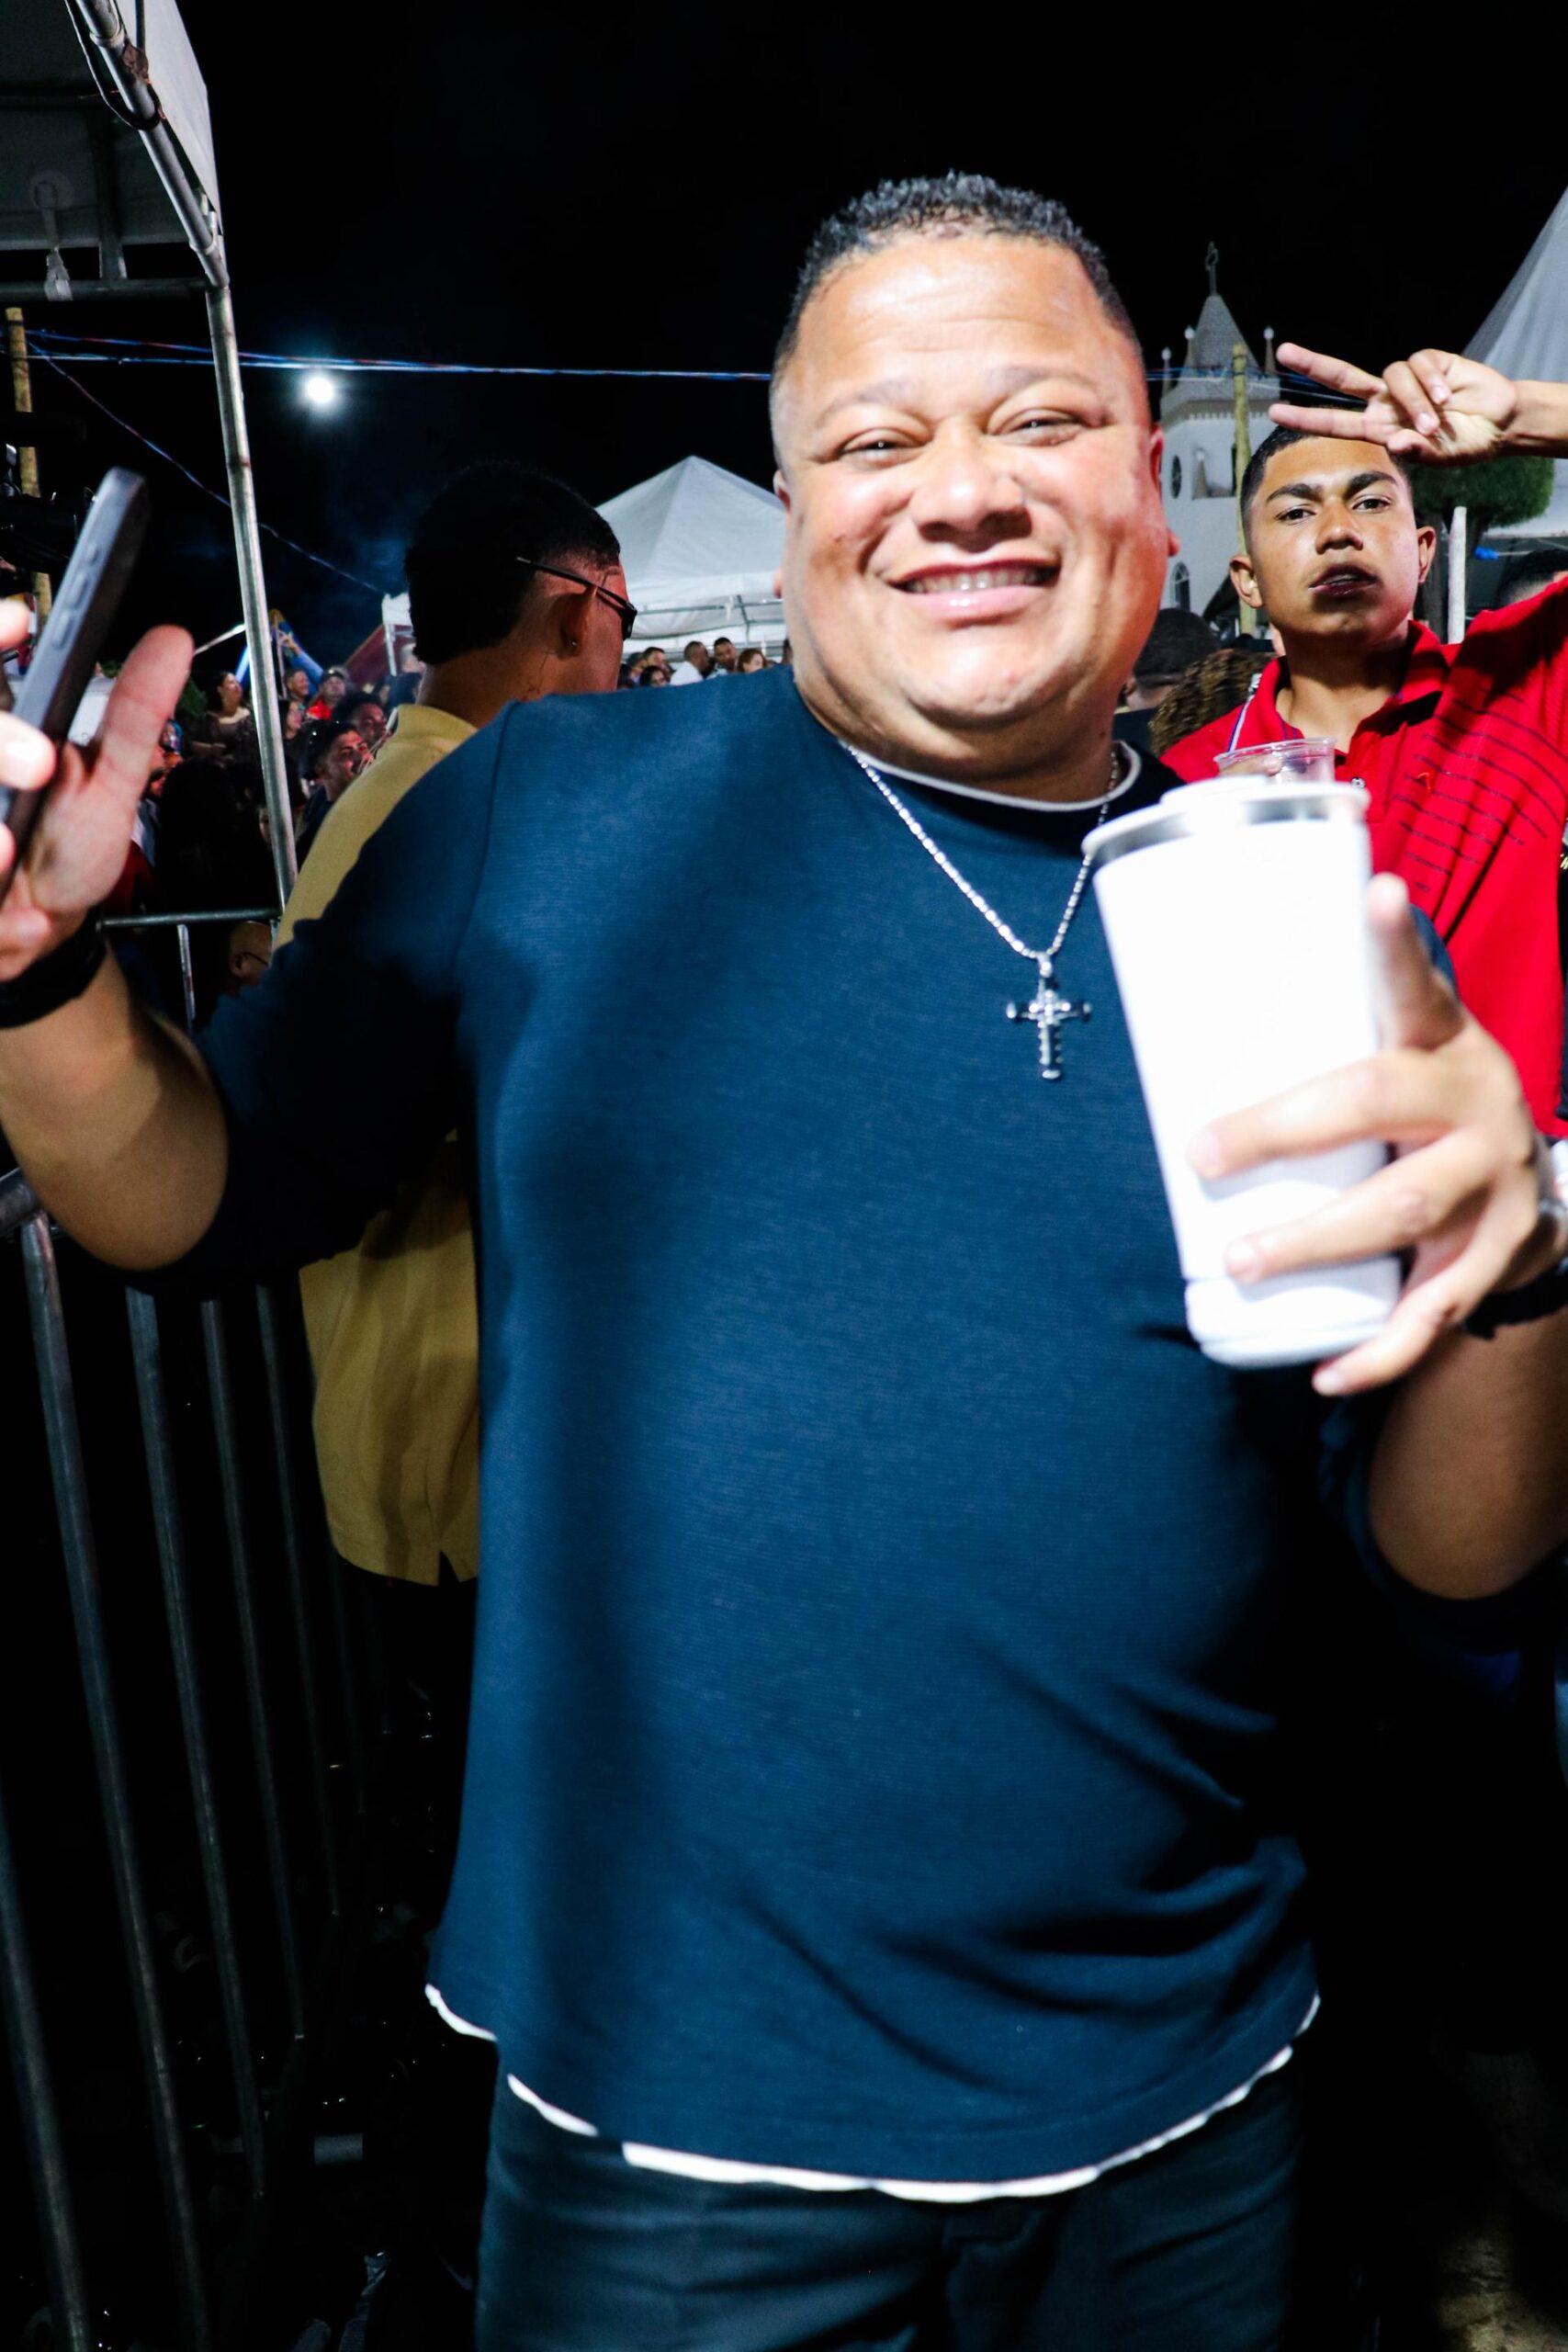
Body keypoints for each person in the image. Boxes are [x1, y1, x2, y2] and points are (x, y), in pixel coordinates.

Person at [2, 174, 1568, 2352]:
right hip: (673, 2125)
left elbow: (1448, 1555)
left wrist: (1519, 1253)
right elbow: (200, 1194)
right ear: (796, 490)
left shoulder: (1277, 902)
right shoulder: (552, 807)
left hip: (1187, 2104)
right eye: (872, 438)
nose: (959, 492)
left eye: (1037, 421)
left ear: (1152, 478)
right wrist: (38, 974)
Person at [276, 460, 626, 1600]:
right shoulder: (487, 816)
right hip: (478, 1461)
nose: (622, 659)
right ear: (573, 611)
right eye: (622, 622)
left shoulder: (397, 797)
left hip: (420, 1436)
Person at [1162, 368, 1568, 1135]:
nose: (1337, 530)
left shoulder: (1522, 685)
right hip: (1291, 1187)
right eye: (1295, 511)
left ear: (1423, 551)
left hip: (1513, 1186)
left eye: (1370, 502)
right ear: (1247, 581)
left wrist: (1530, 415)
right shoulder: (1188, 785)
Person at [293, 720, 368, 864]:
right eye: (346, 754)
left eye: (362, 748)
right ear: (322, 769)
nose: (361, 758)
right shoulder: (325, 827)